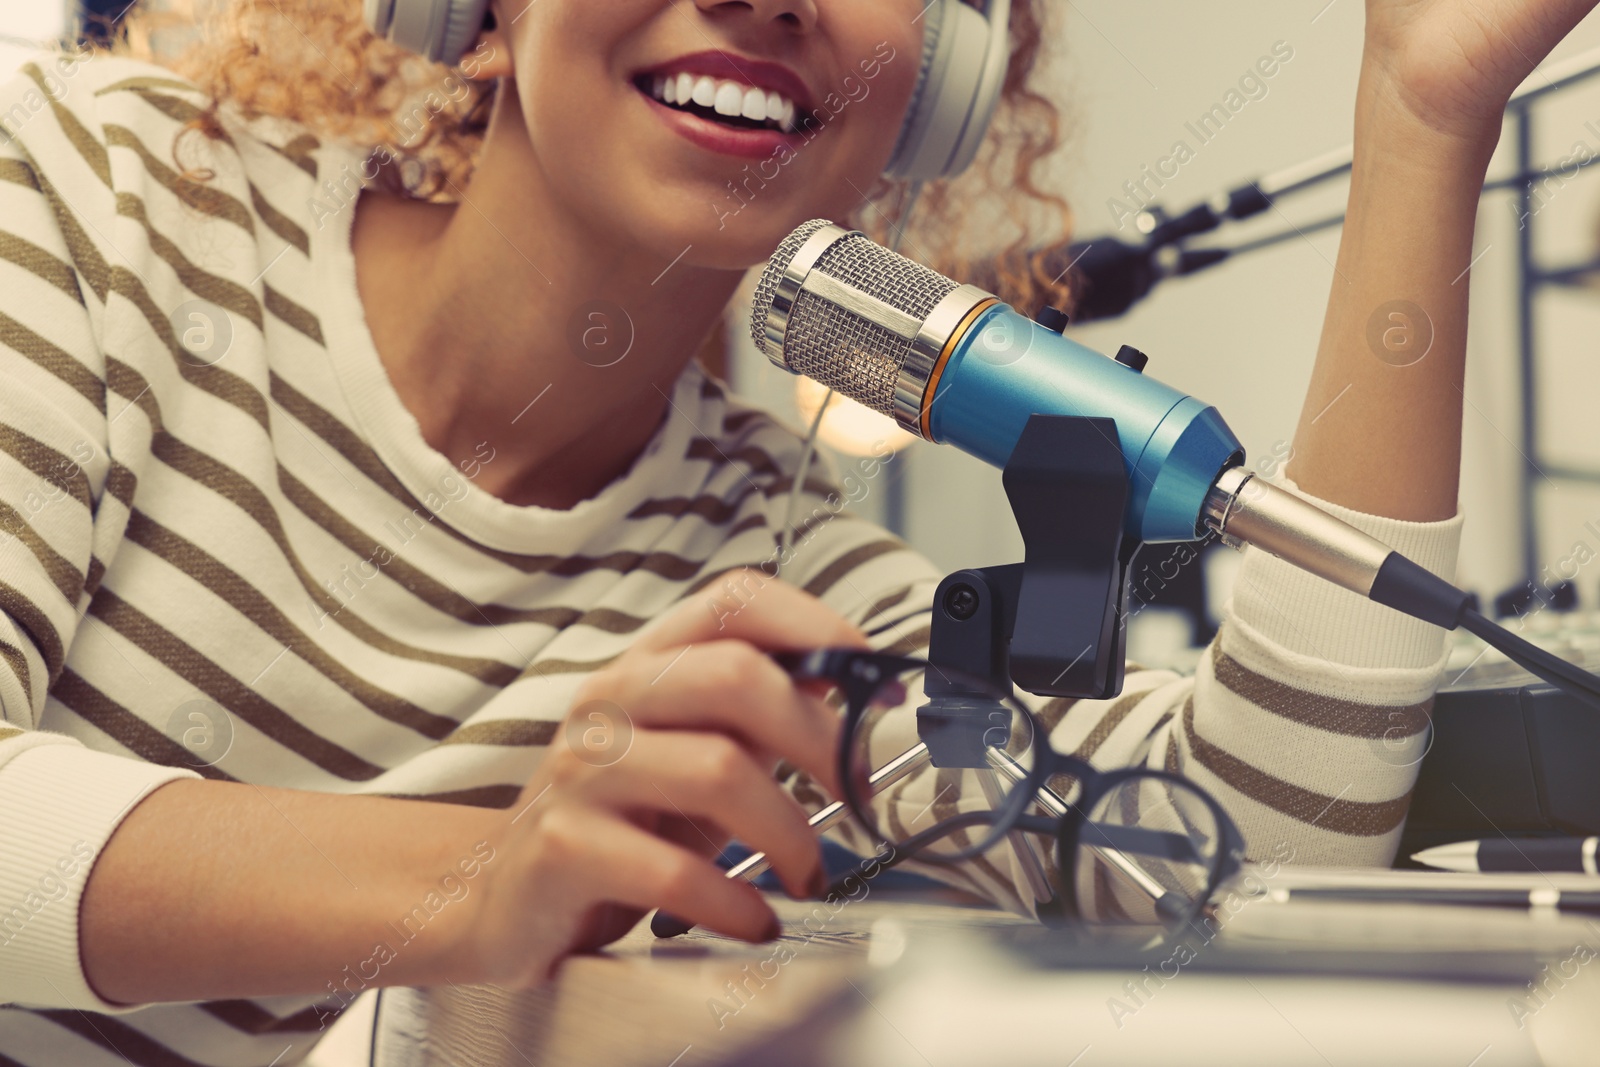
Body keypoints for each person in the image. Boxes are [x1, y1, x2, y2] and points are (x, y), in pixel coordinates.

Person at [0, 0, 1590, 1062]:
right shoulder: (96, 186)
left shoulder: (775, 564)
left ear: (940, 82)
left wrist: (1422, 115)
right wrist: (476, 881)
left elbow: (1257, 855)